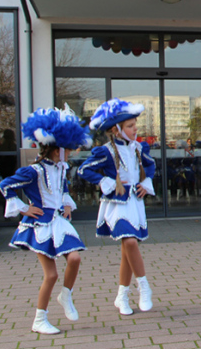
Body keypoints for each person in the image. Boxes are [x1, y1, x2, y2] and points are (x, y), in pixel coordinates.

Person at [0, 106, 91, 335]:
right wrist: (23, 208)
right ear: (57, 149)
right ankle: (39, 319)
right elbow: (5, 185)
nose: (70, 154)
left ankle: (65, 295)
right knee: (51, 274)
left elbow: (62, 188)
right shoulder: (34, 171)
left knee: (75, 258)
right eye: (68, 150)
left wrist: (67, 202)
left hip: (58, 222)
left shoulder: (61, 167)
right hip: (40, 225)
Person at [77, 99, 156, 315]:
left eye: (135, 126)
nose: (135, 130)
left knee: (126, 252)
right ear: (116, 129)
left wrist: (146, 183)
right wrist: (106, 182)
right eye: (130, 126)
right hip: (117, 204)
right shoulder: (104, 151)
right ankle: (144, 286)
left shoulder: (139, 147)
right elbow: (84, 170)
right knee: (130, 242)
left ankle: (122, 296)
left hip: (135, 202)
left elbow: (150, 166)